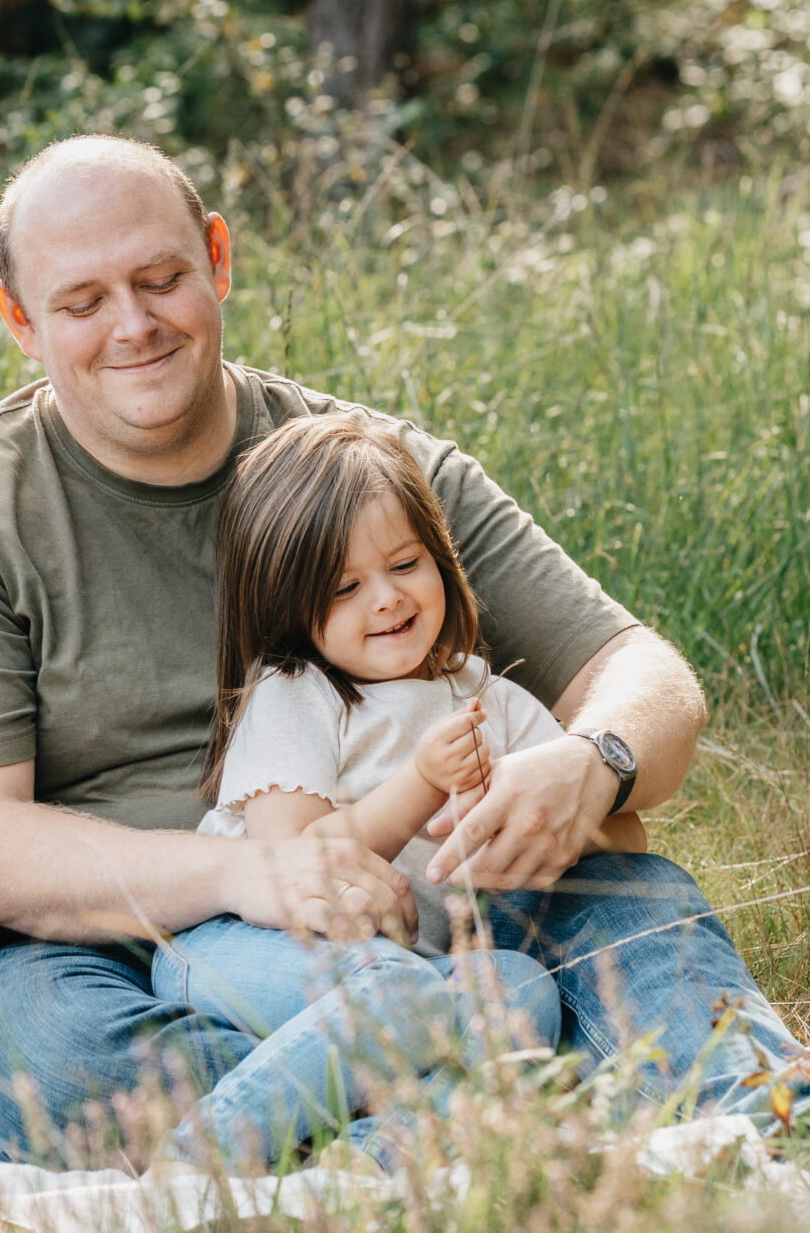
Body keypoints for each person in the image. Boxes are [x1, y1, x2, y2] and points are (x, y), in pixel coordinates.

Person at [0, 134, 810, 1166]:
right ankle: (536, 1108)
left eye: (162, 278)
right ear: (18, 320)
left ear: (217, 260)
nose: (132, 324)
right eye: (81, 301)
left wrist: (595, 764)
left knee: (627, 905)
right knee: (33, 1049)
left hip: (424, 924)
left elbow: (645, 677)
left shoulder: (363, 468)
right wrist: (250, 879)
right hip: (128, 954)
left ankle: (750, 1126)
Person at [157, 413, 625, 1169]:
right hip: (237, 945)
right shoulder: (297, 693)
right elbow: (293, 860)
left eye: (405, 563)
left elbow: (598, 828)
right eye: (345, 586)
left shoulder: (487, 699)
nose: (386, 598)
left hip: (402, 969)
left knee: (518, 990)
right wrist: (420, 785)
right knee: (404, 995)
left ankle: (360, 1172)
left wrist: (532, 827)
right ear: (288, 603)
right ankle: (191, 1168)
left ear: (439, 556)